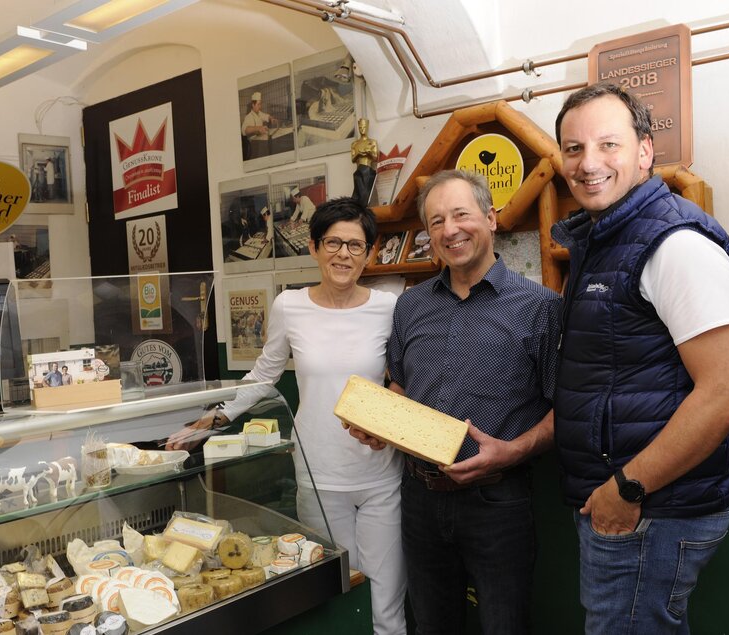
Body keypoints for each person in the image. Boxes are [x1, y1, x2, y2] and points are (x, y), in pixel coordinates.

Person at [551, 83, 729, 634]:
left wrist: (628, 489)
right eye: (573, 148)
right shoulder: (605, 239)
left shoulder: (674, 244)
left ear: (645, 151)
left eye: (607, 145)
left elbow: (728, 392)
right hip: (626, 506)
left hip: (648, 510)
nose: (588, 163)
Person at [168, 196, 407, 635]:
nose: (344, 255)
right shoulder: (290, 306)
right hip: (317, 473)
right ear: (314, 248)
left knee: (387, 603)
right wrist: (217, 417)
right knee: (334, 595)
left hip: (379, 474)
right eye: (333, 243)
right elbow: (264, 373)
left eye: (356, 246)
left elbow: (405, 381)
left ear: (370, 253)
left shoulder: (390, 307)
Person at [350, 169, 562, 634]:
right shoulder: (411, 305)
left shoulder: (541, 307)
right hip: (419, 499)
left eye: (461, 215)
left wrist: (512, 451)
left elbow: (563, 411)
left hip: (498, 501)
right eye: (436, 221)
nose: (450, 230)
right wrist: (379, 424)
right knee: (430, 627)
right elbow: (401, 389)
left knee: (504, 627)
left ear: (490, 218)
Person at [350, 118, 379, 206]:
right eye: (360, 128)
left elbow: (375, 157)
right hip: (359, 170)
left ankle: (363, 207)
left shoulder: (372, 142)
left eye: (364, 127)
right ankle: (358, 207)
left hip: (368, 169)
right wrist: (358, 154)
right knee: (358, 192)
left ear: (367, 127)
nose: (362, 130)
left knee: (365, 194)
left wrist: (369, 152)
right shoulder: (355, 144)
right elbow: (353, 159)